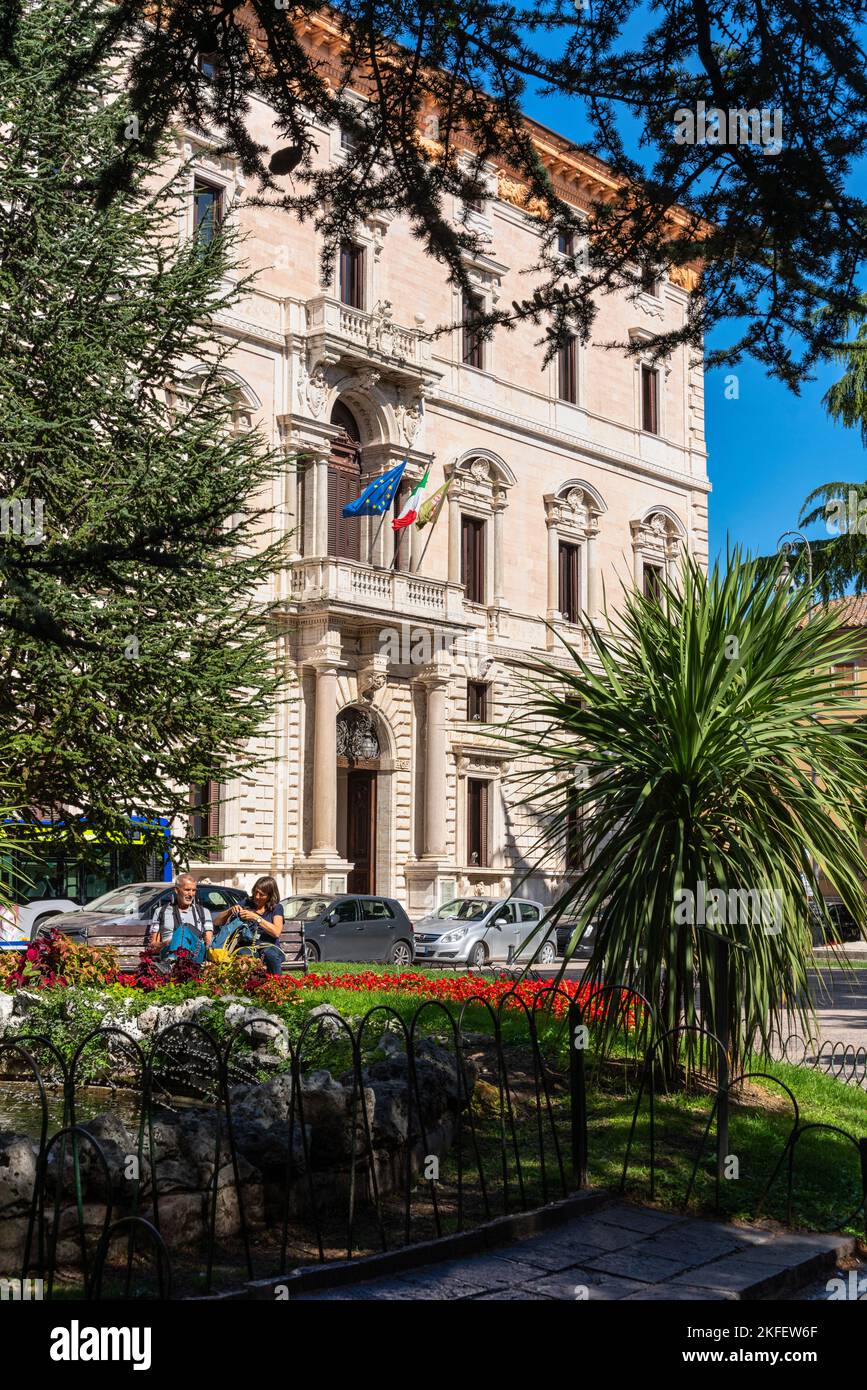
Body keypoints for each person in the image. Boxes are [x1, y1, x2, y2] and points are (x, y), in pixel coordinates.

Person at [212, 875, 284, 975]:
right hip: (247, 947)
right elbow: (216, 921)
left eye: (261, 894)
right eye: (255, 892)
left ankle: (277, 985)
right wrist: (229, 911)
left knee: (270, 955)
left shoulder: (277, 908)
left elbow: (276, 932)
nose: (257, 896)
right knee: (243, 956)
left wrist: (256, 918)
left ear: (270, 896)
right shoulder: (246, 903)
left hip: (269, 946)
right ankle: (246, 988)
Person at [148, 873, 212, 959]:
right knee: (182, 931)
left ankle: (173, 963)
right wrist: (165, 943)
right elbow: (152, 946)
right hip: (167, 951)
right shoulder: (160, 912)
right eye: (187, 890)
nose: (191, 894)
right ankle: (174, 962)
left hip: (194, 955)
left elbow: (208, 942)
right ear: (177, 890)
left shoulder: (203, 912)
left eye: (194, 890)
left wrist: (209, 960)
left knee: (184, 928)